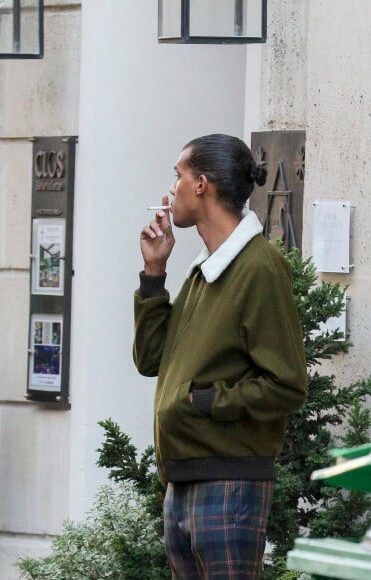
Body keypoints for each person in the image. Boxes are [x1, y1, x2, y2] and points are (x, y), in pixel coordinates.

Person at [133, 134, 308, 579]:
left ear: (202, 184)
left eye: (178, 176)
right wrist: (155, 273)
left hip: (229, 482)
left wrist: (207, 402)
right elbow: (151, 359)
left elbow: (286, 384)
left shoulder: (259, 267)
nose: (171, 189)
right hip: (184, 478)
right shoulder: (204, 271)